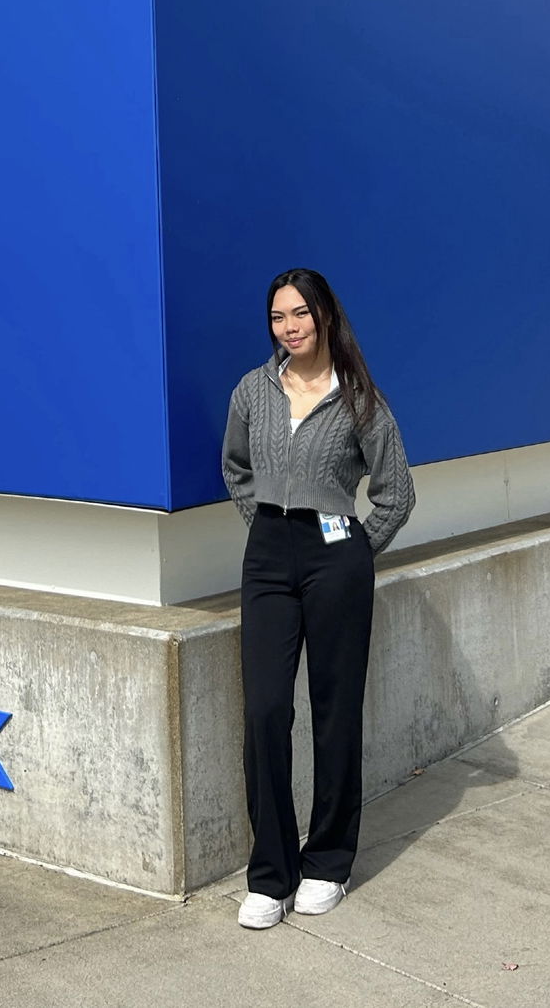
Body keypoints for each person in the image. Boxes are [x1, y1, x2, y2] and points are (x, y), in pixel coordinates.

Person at [222, 266, 415, 930]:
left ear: (326, 316)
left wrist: (356, 549)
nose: (289, 327)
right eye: (277, 317)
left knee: (336, 713)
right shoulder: (253, 389)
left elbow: (397, 493)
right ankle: (269, 875)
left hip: (336, 559)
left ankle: (328, 863)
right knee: (267, 710)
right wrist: (268, 527)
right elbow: (237, 466)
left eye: (299, 313)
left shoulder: (360, 401)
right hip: (269, 557)